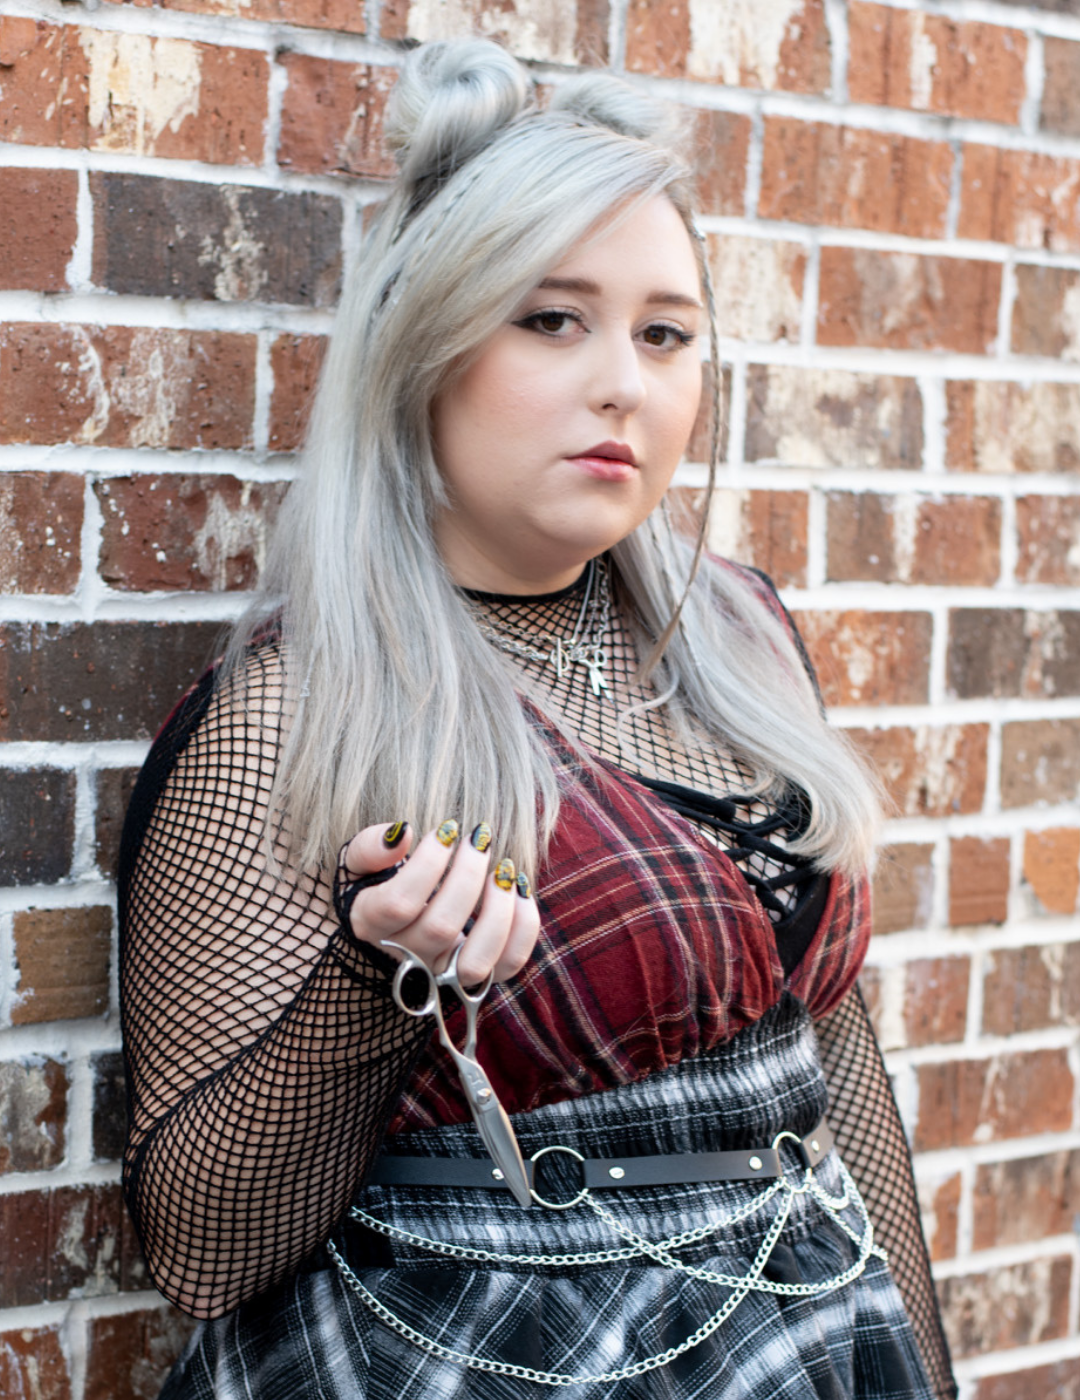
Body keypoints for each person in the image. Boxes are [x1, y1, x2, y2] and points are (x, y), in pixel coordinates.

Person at [118, 39, 957, 1400]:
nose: (624, 381)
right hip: (498, 1362)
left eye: (666, 332)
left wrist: (921, 1369)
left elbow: (836, 1051)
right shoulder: (295, 714)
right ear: (425, 342)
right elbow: (204, 1256)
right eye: (551, 319)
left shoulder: (734, 634)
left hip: (803, 1334)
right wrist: (374, 987)